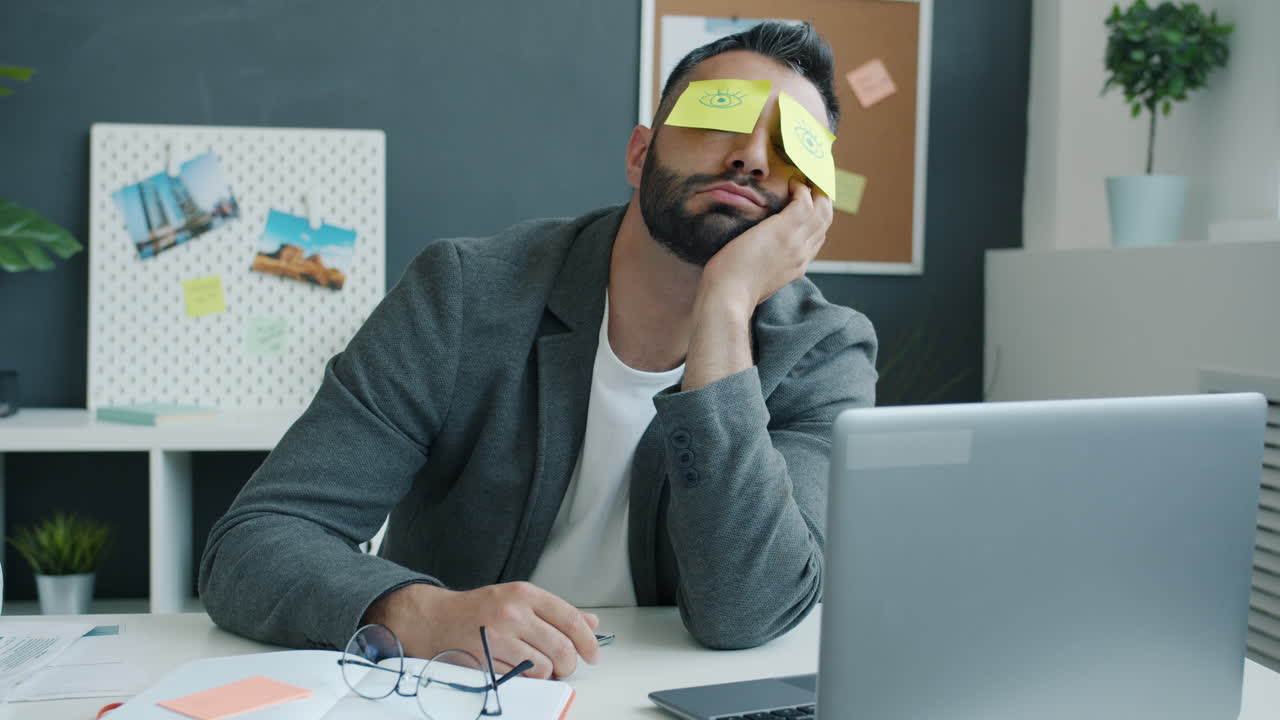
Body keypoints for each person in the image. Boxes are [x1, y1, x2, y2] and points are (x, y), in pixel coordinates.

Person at [199, 20, 877, 682]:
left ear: (809, 200)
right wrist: (423, 616)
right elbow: (252, 546)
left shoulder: (822, 352)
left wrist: (726, 305)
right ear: (641, 154)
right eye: (719, 119)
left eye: (791, 150)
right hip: (456, 694)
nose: (752, 157)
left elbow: (748, 611)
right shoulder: (464, 294)